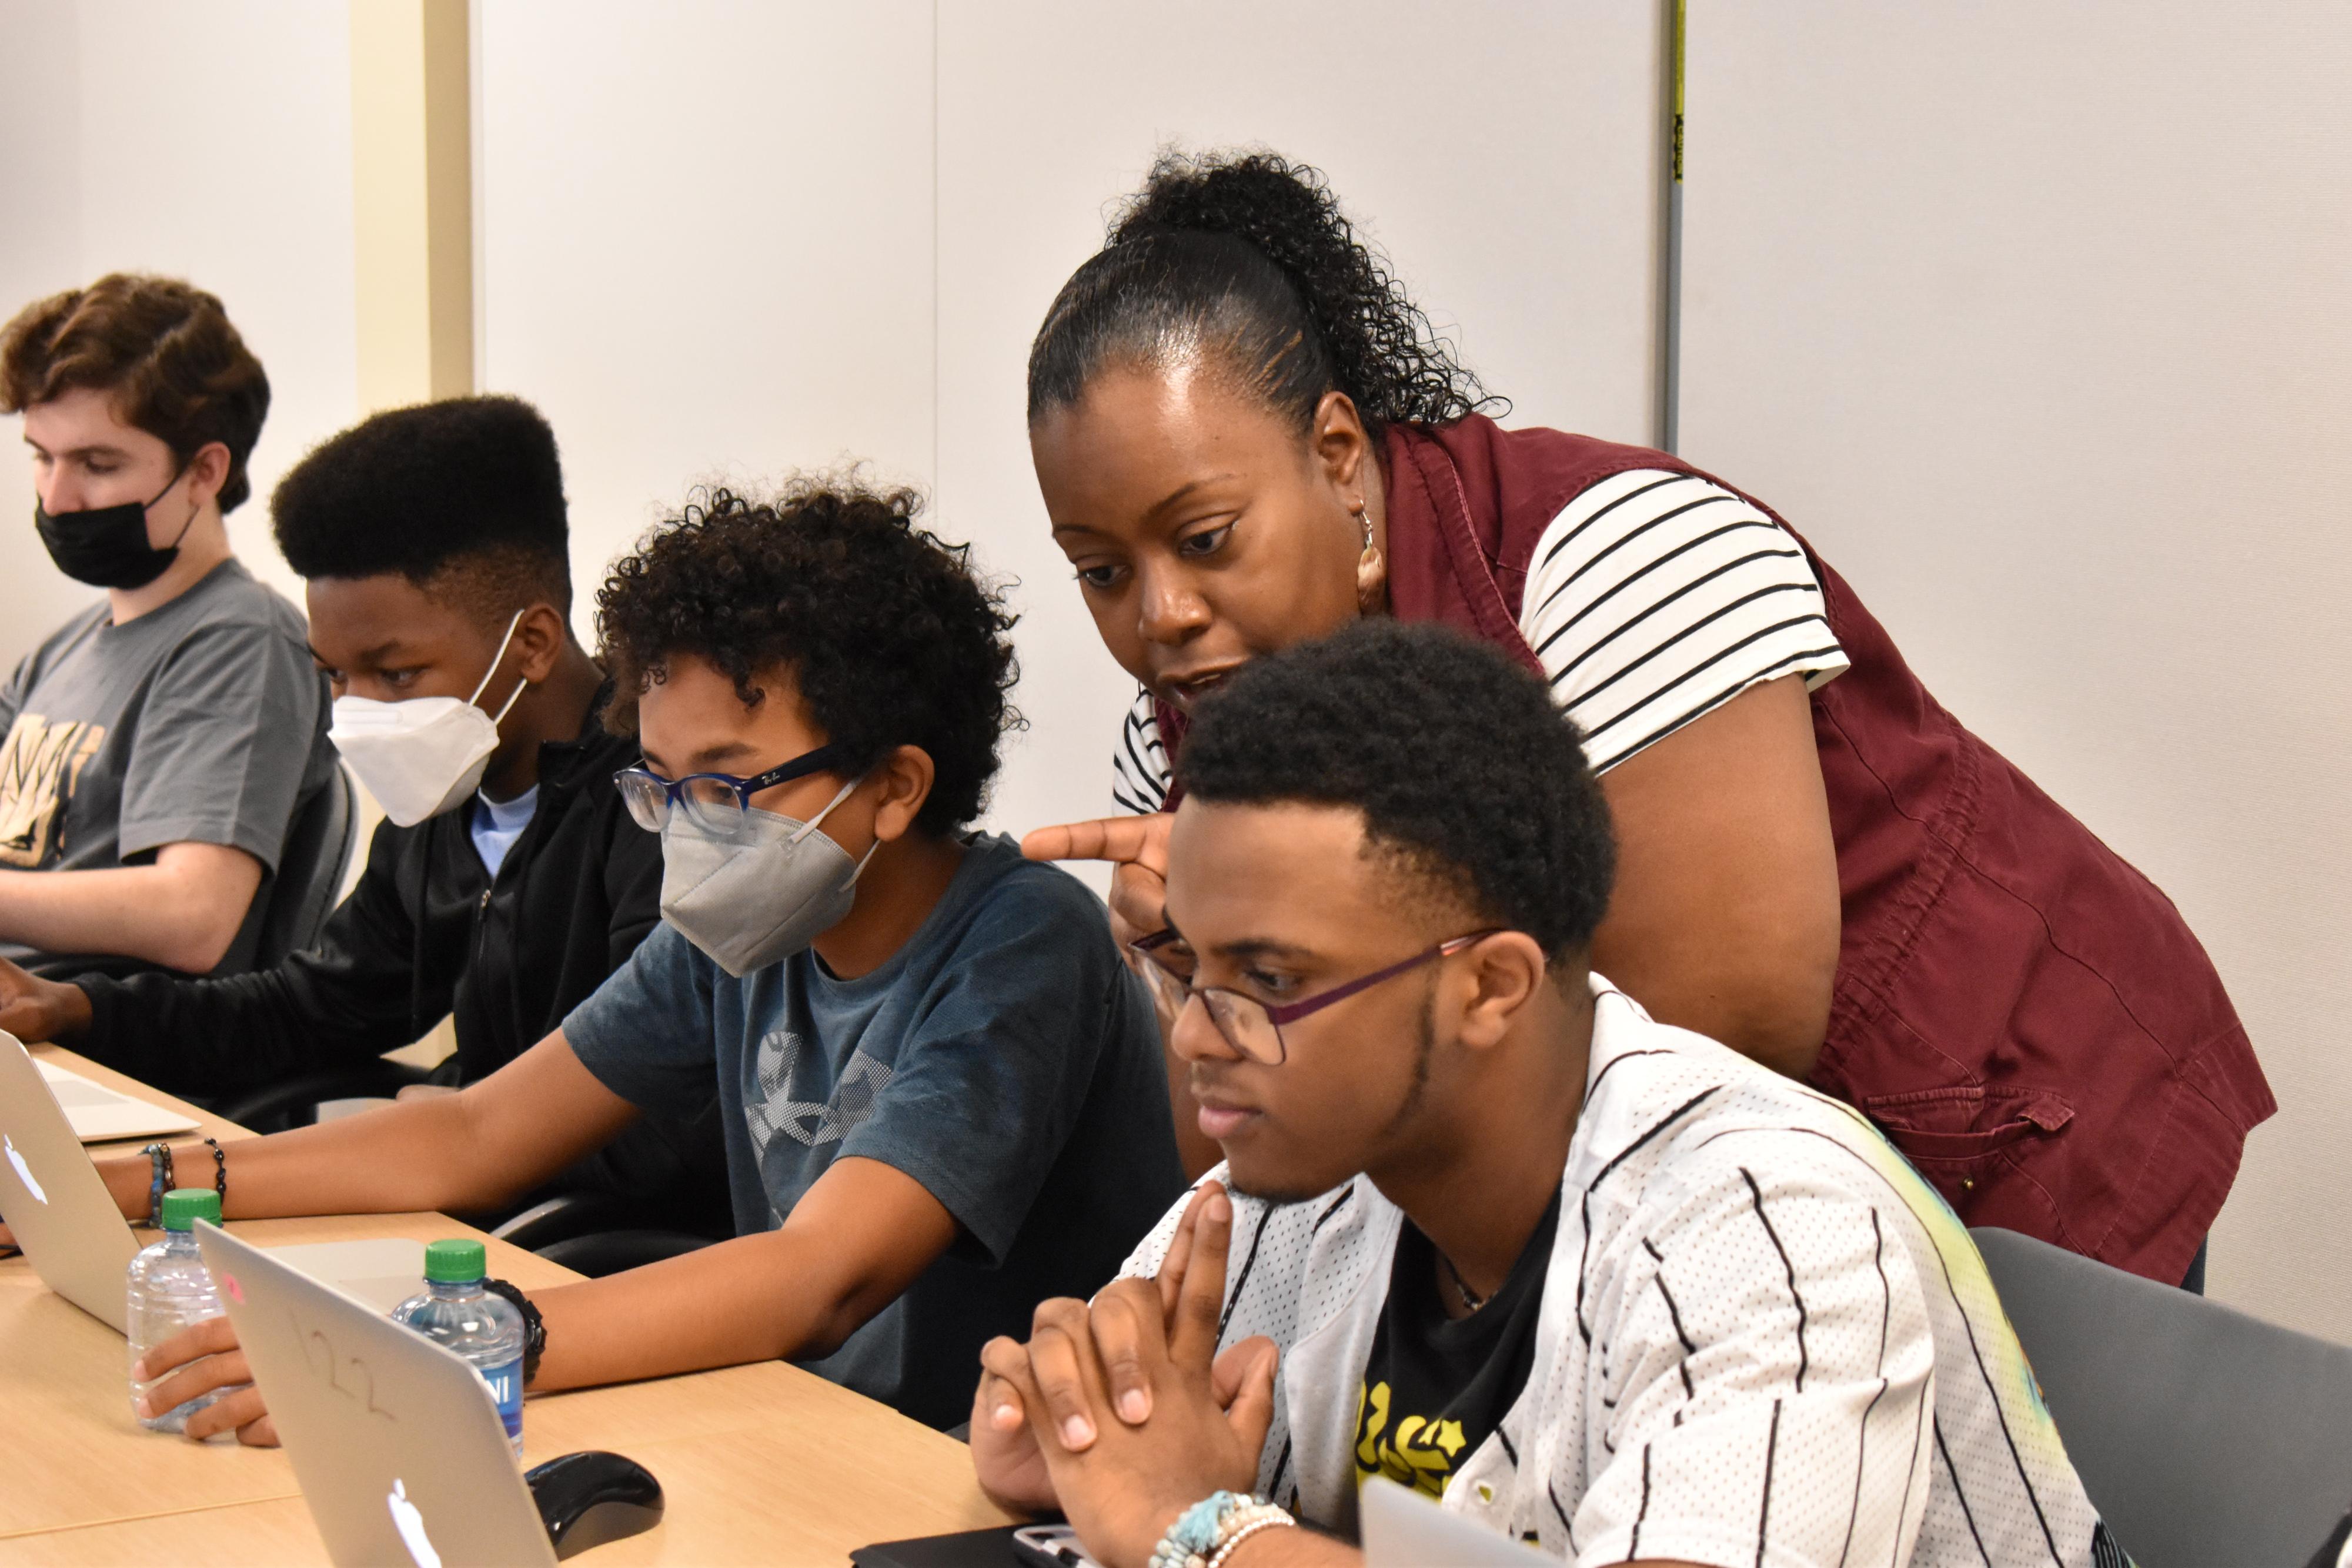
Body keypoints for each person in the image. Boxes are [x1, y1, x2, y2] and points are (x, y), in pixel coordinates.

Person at [1019, 149, 2268, 1287]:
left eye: (1200, 538)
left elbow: (1729, 1025)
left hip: (1993, 1128)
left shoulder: (1613, 558)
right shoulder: (1177, 745)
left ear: (1338, 456)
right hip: (1669, 1233)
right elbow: (1241, 1147)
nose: (1160, 616)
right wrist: (1197, 968)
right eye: (1100, 570)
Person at [973, 621, 2119, 1567]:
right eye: (1189, 969)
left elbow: (1178, 1511)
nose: (1197, 1037)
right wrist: (1079, 1435)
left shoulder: (1767, 1218)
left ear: (1488, 985)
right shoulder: (1305, 1176)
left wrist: (1199, 1530)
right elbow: (1126, 1440)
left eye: (1268, 980)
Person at [72, 479, 1183, 1443]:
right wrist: (138, 1184)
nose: (690, 831)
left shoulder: (1023, 941)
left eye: (728, 783)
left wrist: (442, 1343)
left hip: (986, 1469)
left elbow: (822, 1276)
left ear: (894, 787)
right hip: (792, 1421)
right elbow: (477, 1131)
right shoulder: (745, 929)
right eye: (661, 785)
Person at [0, 395, 723, 1224]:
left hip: (580, 1248)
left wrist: (410, 1146)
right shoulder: (447, 803)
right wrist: (75, 1005)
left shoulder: (661, 812)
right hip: (455, 1202)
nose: (361, 711)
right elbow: (308, 1009)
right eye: (337, 675)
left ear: (532, 643)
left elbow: (657, 1138)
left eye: (398, 673)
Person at [0, 273, 335, 979]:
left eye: (97, 463)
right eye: (42, 457)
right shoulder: (59, 655)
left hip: (83, 1058)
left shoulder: (241, 639)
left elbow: (192, 916)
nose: (57, 498)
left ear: (203, 472)